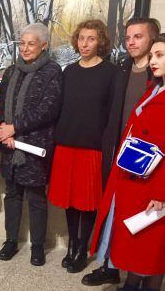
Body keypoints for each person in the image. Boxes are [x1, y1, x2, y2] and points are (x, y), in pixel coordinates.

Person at [85, 17, 165, 285]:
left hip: (152, 176)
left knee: (148, 239)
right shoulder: (154, 88)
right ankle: (129, 289)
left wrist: (163, 189)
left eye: (159, 54)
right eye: (153, 55)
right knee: (129, 233)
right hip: (129, 172)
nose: (153, 60)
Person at [47, 19, 117, 273]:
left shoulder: (110, 73)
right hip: (67, 143)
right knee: (68, 200)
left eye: (91, 38)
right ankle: (72, 244)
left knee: (86, 202)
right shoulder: (70, 72)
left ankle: (82, 249)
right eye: (81, 38)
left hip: (93, 147)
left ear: (100, 42)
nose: (85, 43)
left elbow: (111, 114)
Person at [0, 23, 62, 266]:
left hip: (35, 146)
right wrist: (4, 130)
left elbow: (48, 110)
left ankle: (37, 247)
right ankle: (11, 241)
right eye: (22, 43)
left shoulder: (52, 71)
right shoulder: (11, 71)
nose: (25, 48)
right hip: (10, 145)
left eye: (31, 43)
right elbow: (1, 105)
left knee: (36, 197)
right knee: (12, 194)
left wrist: (16, 127)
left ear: (44, 45)